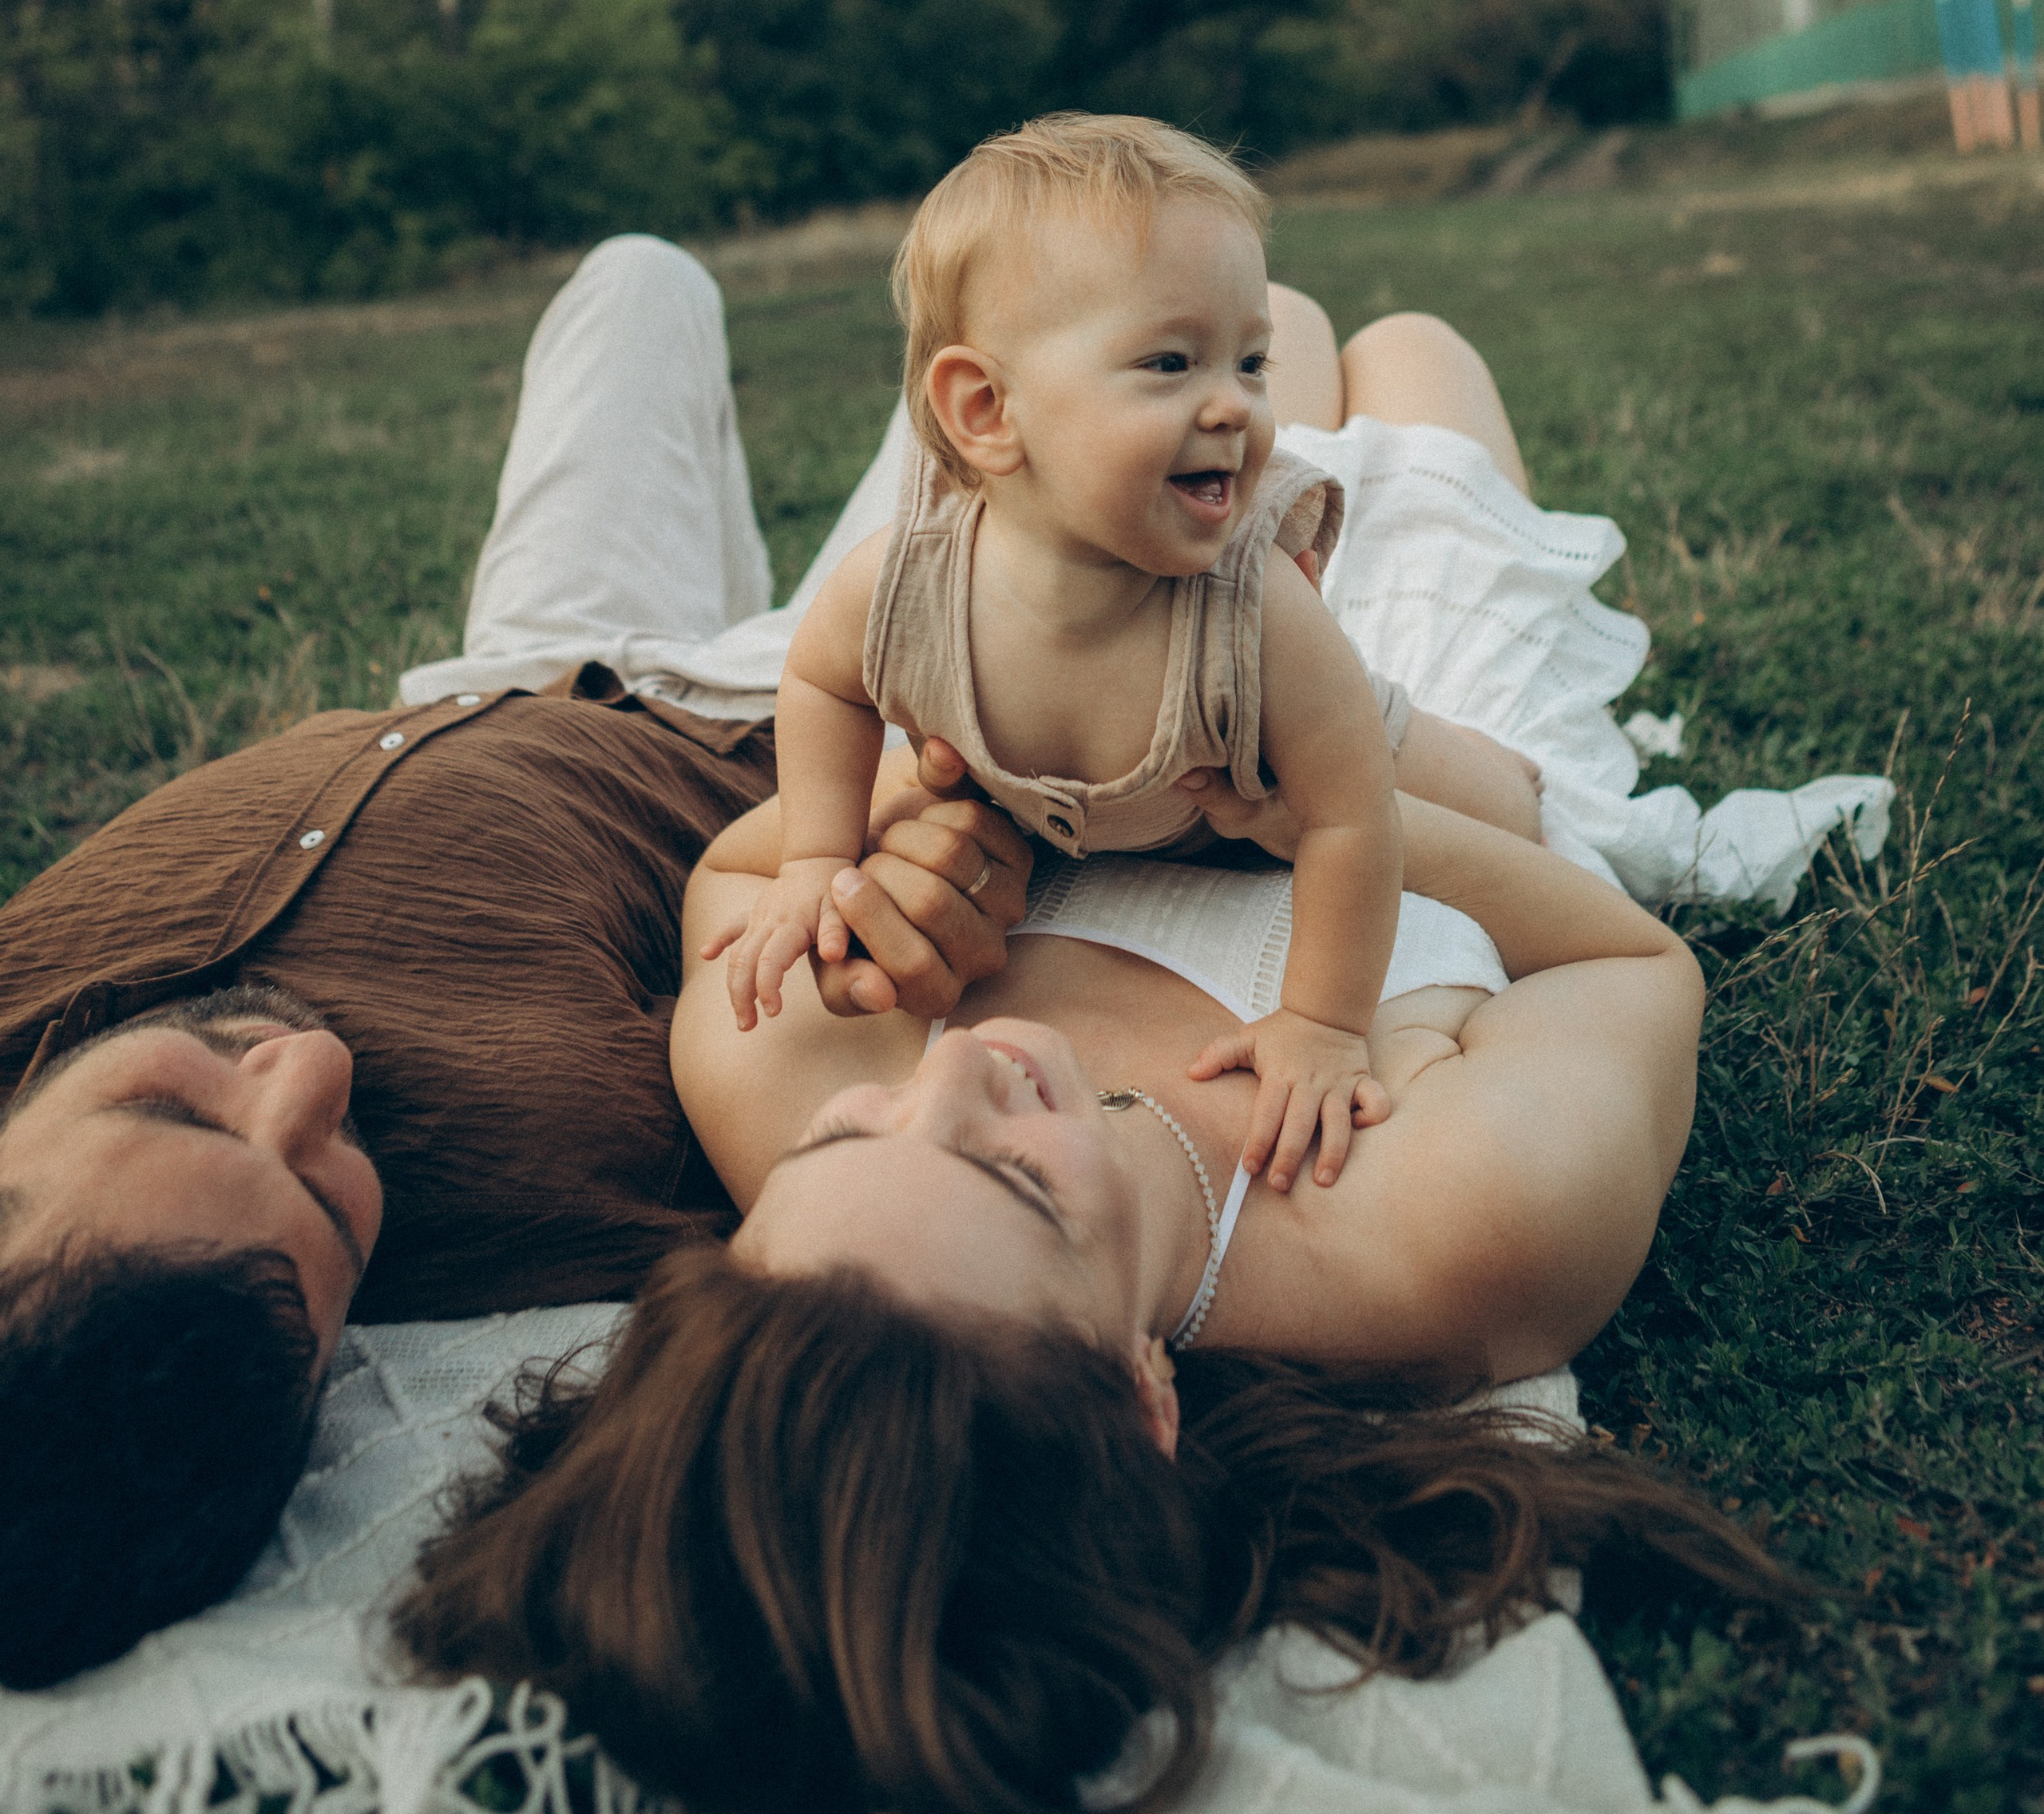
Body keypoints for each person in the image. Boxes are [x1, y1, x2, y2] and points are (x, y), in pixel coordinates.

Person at [397, 272, 1774, 1814]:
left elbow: (744, 877)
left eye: (859, 1141)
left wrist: (915, 838)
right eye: (1025, 1184)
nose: (958, 1077)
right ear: (1141, 1397)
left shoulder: (796, 1079)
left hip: (1113, 670)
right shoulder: (1457, 1227)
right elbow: (1629, 959)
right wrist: (1339, 805)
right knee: (1412, 353)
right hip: (1425, 739)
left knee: (1263, 326)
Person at [0, 237, 1028, 1689]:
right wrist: (943, 862)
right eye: (326, 1203)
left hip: (514, 662)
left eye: (166, 1105)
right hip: (795, 710)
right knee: (1033, 323)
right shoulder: (553, 1200)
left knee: (639, 279)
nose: (310, 1078)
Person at [717, 115, 1541, 1194]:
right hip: (1138, 788)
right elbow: (824, 684)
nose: (1237, 404)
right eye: (1170, 361)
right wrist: (818, 856)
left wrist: (1322, 1021)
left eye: (1251, 362)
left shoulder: (1258, 620)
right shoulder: (906, 585)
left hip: (1280, 742)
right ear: (986, 411)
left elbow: (1351, 818)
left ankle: (1506, 760)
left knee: (1518, 816)